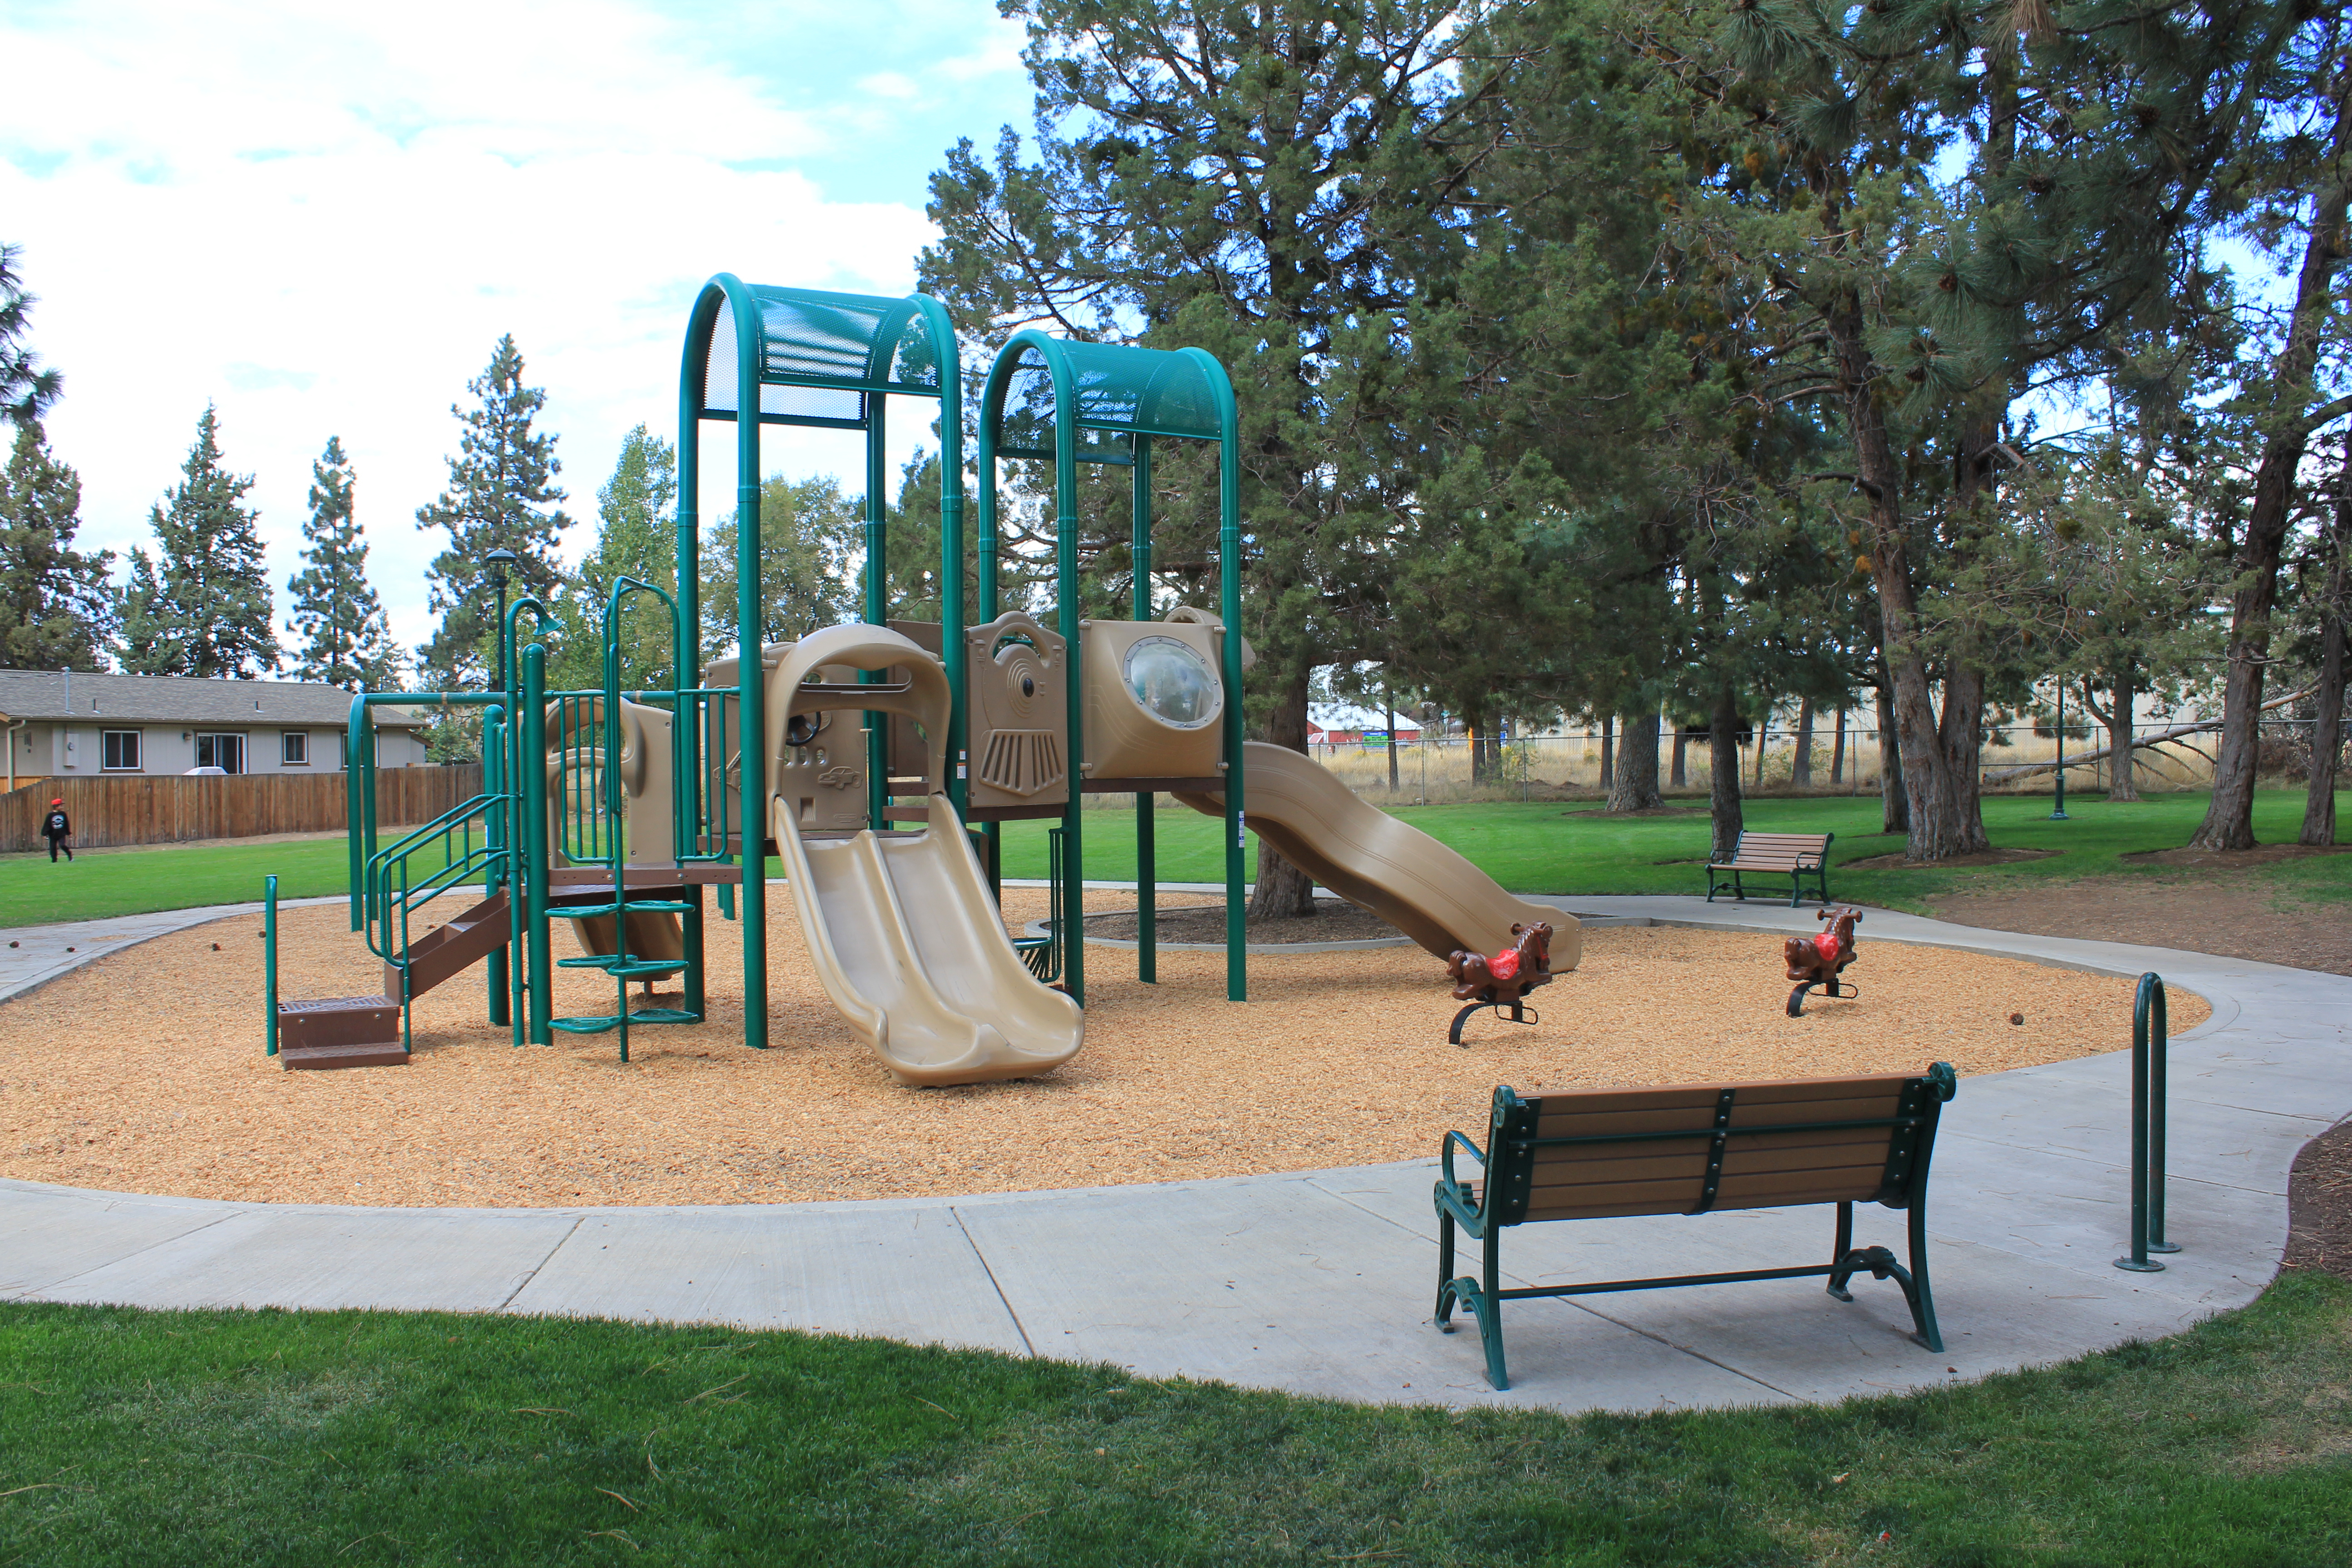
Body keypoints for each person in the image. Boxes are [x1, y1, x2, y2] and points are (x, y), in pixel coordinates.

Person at [39, 798, 72, 862]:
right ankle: (54, 860)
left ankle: (70, 855)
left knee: (62, 845)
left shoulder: (63, 814)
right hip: (53, 834)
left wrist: (69, 833)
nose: (62, 807)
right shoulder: (50, 815)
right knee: (53, 848)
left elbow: (66, 824)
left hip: (61, 834)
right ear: (56, 807)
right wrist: (45, 834)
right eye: (61, 806)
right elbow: (47, 824)